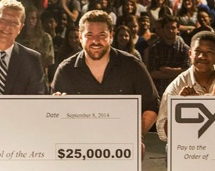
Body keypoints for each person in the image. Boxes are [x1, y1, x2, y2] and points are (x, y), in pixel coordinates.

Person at [51, 10, 159, 154]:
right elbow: (54, 115)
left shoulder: (133, 66)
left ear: (111, 36)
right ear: (80, 37)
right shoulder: (65, 70)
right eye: (89, 35)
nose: (95, 41)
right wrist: (55, 108)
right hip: (78, 151)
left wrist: (137, 135)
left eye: (102, 35)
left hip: (122, 150)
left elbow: (152, 105)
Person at [156, 31, 215, 141]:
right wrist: (180, 106)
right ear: (190, 54)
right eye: (197, 51)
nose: (202, 56)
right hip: (186, 146)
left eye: (209, 52)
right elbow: (163, 133)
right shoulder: (177, 86)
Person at [147, 16, 191, 96]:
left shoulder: (185, 49)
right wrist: (176, 73)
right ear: (163, 29)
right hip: (159, 92)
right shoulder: (154, 49)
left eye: (173, 28)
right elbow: (152, 73)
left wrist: (166, 69)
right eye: (167, 27)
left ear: (177, 30)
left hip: (179, 92)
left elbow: (187, 72)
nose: (170, 30)